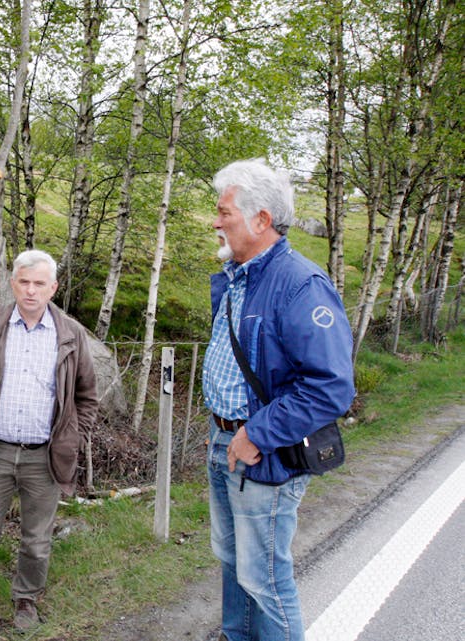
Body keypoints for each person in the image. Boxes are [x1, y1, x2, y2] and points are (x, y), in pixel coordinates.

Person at [202, 159, 355, 641]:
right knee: (232, 564)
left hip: (261, 448)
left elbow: (331, 386)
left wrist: (256, 434)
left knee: (264, 578)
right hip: (223, 439)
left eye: (224, 211)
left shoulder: (299, 284)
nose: (216, 220)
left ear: (261, 219)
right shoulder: (236, 275)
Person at [0, 249, 99, 641]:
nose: (31, 291)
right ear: (13, 283)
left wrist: (71, 438)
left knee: (36, 537)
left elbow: (87, 395)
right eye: (24, 282)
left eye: (39, 284)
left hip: (44, 456)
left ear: (53, 288)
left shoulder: (71, 334)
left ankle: (26, 599)